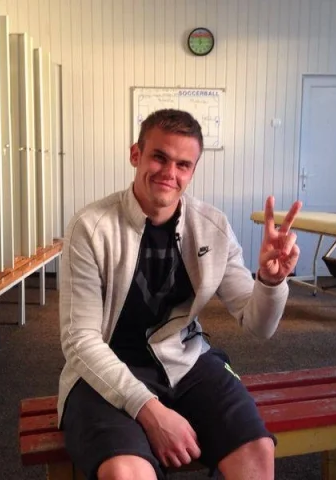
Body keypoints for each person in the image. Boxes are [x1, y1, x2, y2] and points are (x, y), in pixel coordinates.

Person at [58, 108, 302, 480]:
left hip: (185, 360)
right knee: (126, 473)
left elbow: (258, 326)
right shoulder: (91, 227)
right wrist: (149, 410)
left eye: (183, 165)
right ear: (136, 155)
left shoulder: (212, 226)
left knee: (258, 451)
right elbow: (80, 339)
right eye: (159, 157)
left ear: (192, 171)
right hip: (106, 369)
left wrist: (270, 282)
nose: (170, 173)